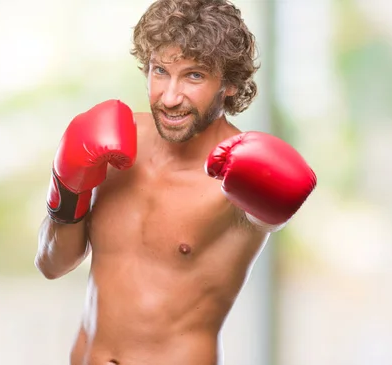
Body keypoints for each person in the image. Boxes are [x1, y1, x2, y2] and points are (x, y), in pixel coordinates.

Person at [34, 0, 317, 364]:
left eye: (194, 75)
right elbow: (52, 265)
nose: (169, 97)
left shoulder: (243, 176)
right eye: (160, 71)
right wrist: (67, 190)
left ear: (228, 84)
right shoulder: (113, 144)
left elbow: (273, 213)